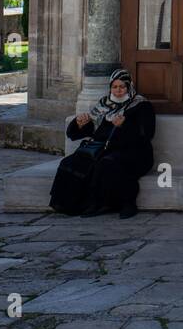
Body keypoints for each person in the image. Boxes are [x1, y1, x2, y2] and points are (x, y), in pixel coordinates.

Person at [50, 69, 156, 219]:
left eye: (122, 87)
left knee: (108, 163)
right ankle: (73, 204)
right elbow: (92, 131)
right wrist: (79, 124)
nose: (118, 91)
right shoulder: (104, 104)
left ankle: (123, 203)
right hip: (104, 148)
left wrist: (124, 125)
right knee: (70, 162)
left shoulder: (141, 105)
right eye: (115, 87)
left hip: (136, 151)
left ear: (129, 87)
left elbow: (147, 134)